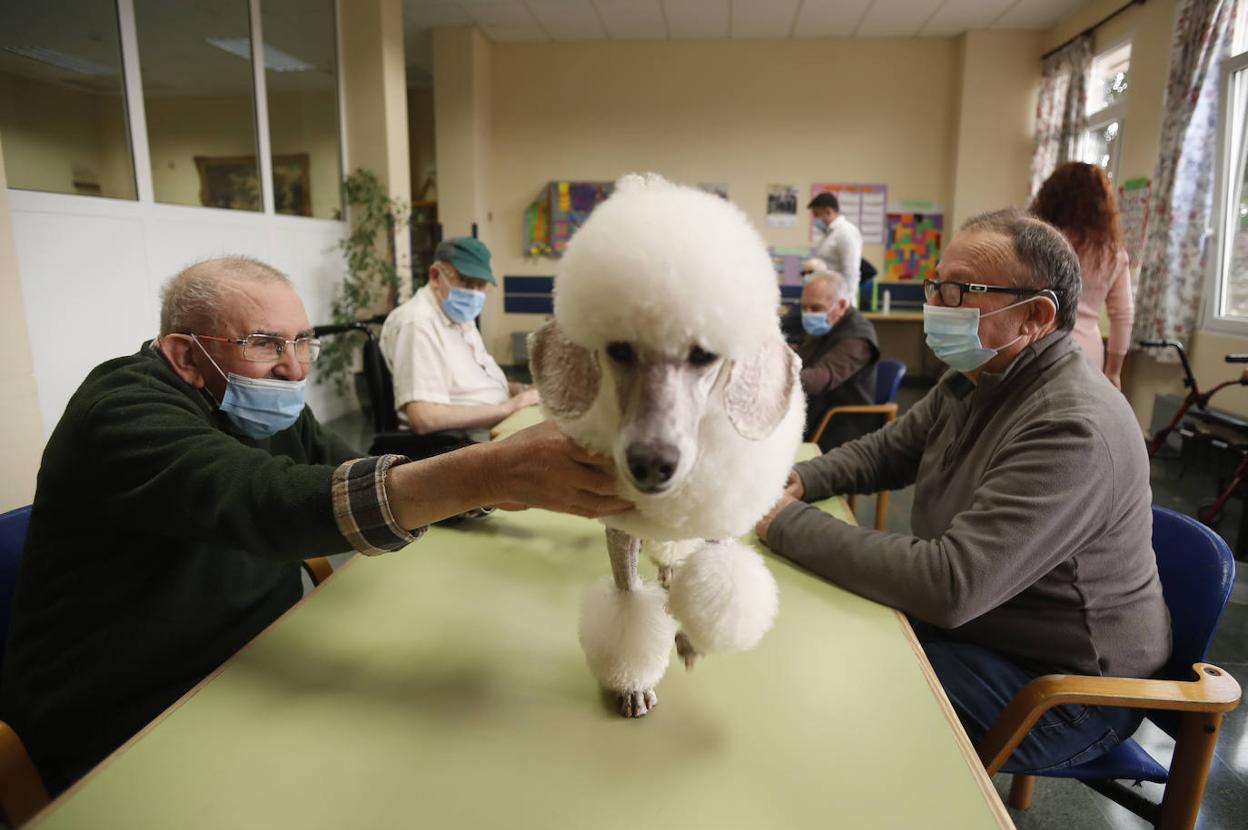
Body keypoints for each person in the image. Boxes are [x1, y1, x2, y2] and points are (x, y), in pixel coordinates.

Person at [0, 256, 631, 794]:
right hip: (132, 712)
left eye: (304, 341)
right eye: (267, 344)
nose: (296, 369)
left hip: (256, 662)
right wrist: (488, 473)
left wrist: (488, 489)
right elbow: (265, 501)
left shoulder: (262, 412)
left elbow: (351, 469)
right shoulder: (121, 412)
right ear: (184, 356)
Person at [755, 210, 1170, 774]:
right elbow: (887, 451)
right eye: (935, 284)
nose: (935, 304)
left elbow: (949, 583)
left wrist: (782, 522)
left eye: (958, 290)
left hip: (1065, 688)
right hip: (991, 623)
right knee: (829, 629)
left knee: (847, 693)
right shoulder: (978, 373)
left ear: (1036, 316)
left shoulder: (1072, 426)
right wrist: (798, 480)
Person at [380, 237, 538, 440]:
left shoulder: (459, 318)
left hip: (499, 424)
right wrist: (509, 407)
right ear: (436, 276)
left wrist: (522, 390)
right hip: (463, 444)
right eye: (465, 281)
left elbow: (472, 382)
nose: (473, 293)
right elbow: (424, 417)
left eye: (480, 285)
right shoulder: (418, 324)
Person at [1030, 162, 1133, 388]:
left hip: (1038, 345)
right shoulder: (1113, 253)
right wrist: (1114, 372)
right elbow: (1122, 316)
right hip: (1088, 352)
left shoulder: (1039, 240)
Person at [797, 271, 880, 450]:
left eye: (815, 308)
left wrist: (776, 377)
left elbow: (820, 379)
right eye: (804, 308)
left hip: (839, 427)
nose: (808, 314)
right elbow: (801, 359)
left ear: (841, 305)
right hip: (816, 412)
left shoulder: (857, 338)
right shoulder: (826, 325)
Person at [808, 192, 864, 306]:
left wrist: (846, 303)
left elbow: (851, 271)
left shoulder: (846, 232)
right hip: (827, 297)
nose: (815, 219)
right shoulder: (829, 234)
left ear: (828, 211)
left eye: (816, 214)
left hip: (840, 302)